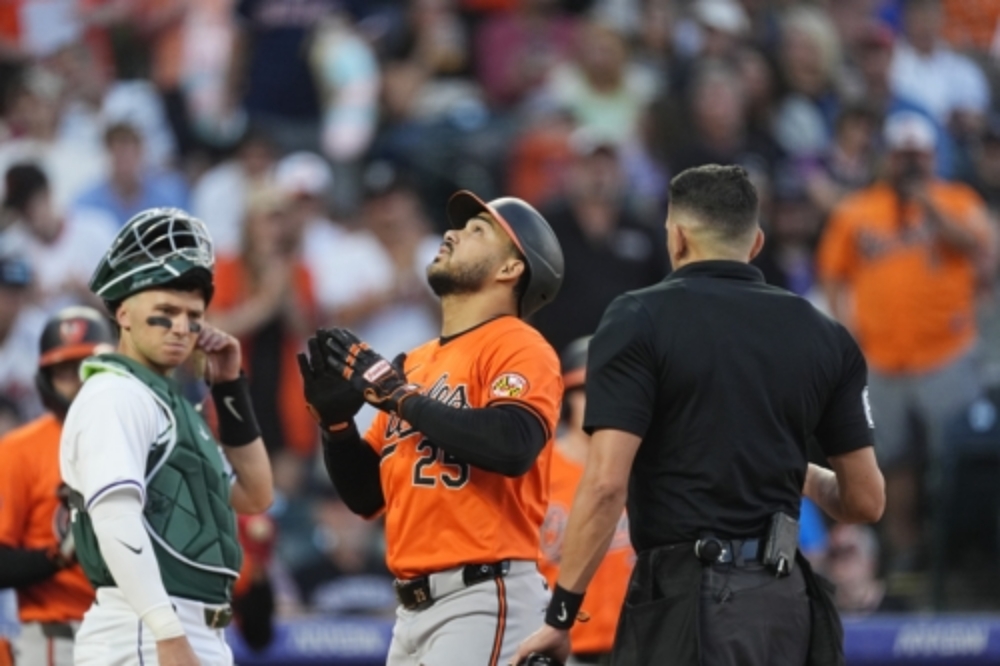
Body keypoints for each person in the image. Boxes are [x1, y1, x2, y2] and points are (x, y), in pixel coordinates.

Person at [513, 164, 885, 666]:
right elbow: (865, 500)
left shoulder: (637, 317)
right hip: (788, 604)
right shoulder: (826, 334)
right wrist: (798, 473)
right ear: (755, 243)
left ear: (679, 238)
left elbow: (605, 485)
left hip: (691, 600)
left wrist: (561, 616)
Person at [298, 190, 564, 665]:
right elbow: (366, 496)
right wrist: (336, 426)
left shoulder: (519, 344)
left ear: (510, 270)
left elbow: (513, 443)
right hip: (412, 609)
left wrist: (401, 397)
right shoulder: (416, 363)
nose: (451, 233)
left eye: (477, 231)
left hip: (483, 593)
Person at [59, 207, 274, 666]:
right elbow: (117, 518)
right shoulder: (115, 394)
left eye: (193, 316)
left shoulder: (171, 402)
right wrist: (167, 633)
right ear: (124, 314)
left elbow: (256, 494)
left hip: (190, 627)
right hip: (144, 627)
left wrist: (230, 385)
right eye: (165, 312)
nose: (182, 327)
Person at [817, 110, 995, 573]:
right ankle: (907, 554)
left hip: (947, 355)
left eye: (918, 155)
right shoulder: (858, 209)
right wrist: (846, 332)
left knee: (957, 460)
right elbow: (832, 274)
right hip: (880, 359)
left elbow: (982, 250)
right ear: (888, 159)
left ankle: (961, 552)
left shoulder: (956, 198)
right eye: (902, 156)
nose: (910, 164)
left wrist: (928, 204)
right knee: (891, 463)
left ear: (934, 156)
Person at [0, 306, 115, 665]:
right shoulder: (17, 451)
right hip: (58, 635)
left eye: (88, 369)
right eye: (66, 371)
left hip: (132, 633)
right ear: (47, 378)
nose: (79, 382)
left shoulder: (141, 442)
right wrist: (59, 555)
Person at [537, 337, 632, 666]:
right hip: (561, 646)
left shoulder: (643, 473)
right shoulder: (538, 471)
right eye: (587, 392)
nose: (598, 404)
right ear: (566, 400)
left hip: (635, 646)